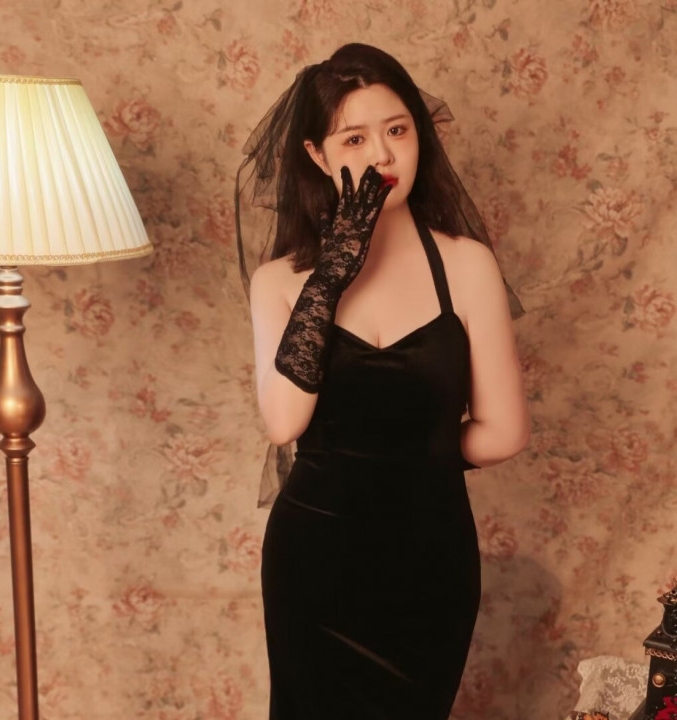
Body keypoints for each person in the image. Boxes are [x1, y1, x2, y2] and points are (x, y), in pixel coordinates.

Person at [237, 43, 530, 720]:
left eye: (398, 130)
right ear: (316, 155)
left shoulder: (467, 265)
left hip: (430, 562)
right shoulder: (279, 281)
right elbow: (284, 424)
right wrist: (331, 275)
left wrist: (406, 455)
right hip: (314, 561)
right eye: (355, 138)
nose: (382, 156)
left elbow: (507, 431)